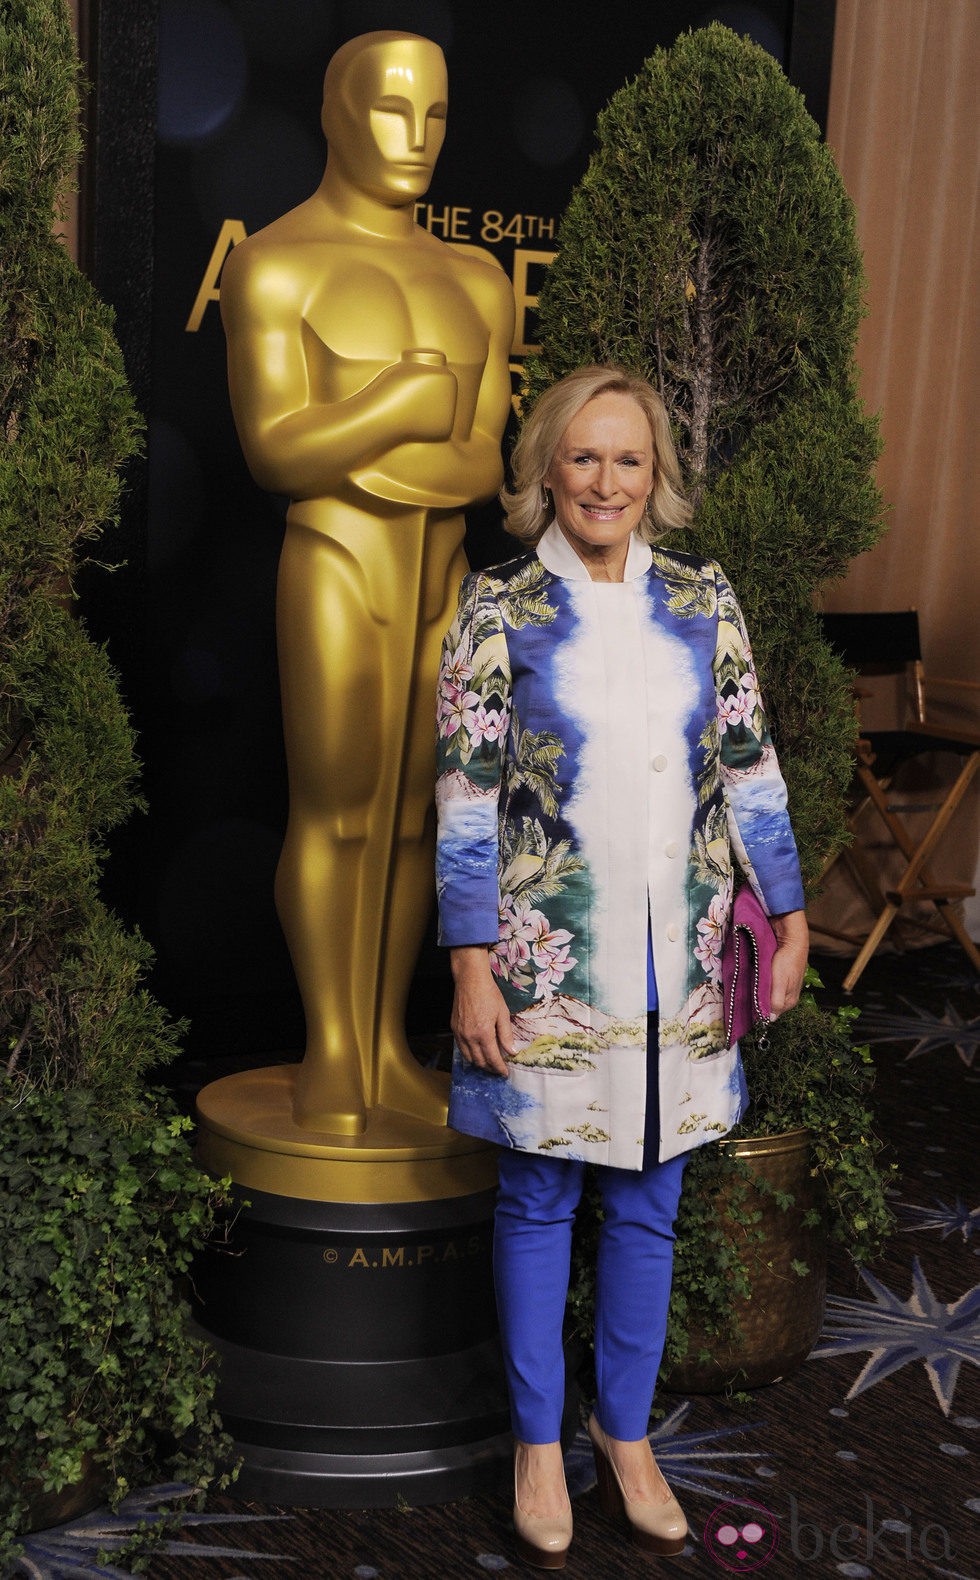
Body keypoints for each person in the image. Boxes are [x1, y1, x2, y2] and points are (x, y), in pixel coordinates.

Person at [435, 365, 808, 1567]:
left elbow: (749, 768)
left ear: (657, 477)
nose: (605, 481)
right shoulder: (495, 609)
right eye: (583, 458)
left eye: (628, 460)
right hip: (547, 964)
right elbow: (463, 803)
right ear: (546, 467)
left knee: (650, 1199)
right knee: (539, 1194)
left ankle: (626, 1433)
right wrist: (470, 962)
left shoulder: (703, 599)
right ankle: (538, 1445)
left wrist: (788, 913)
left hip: (684, 959)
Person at [220, 32, 514, 1135]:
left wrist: (359, 440)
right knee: (338, 810)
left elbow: (484, 457)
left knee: (419, 818)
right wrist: (394, 410)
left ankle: (385, 1043)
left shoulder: (475, 280)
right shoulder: (278, 264)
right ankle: (331, 1050)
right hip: (337, 562)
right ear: (338, 114)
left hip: (443, 564)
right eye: (391, 111)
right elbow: (272, 452)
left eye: (434, 115)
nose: (415, 139)